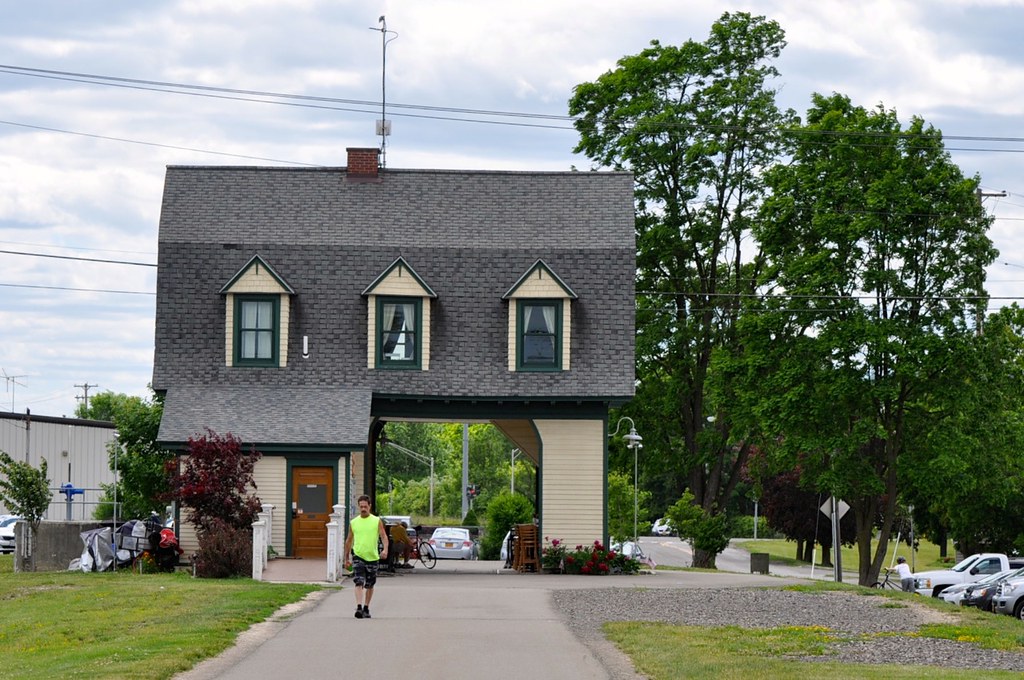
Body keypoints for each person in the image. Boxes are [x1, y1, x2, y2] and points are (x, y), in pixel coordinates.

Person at [343, 495, 389, 619]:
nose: (363, 509)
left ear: (370, 506)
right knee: (358, 581)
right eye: (361, 506)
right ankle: (358, 607)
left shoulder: (376, 521)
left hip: (373, 557)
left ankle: (366, 607)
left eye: (365, 506)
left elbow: (384, 536)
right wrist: (346, 558)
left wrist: (385, 549)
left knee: (370, 584)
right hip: (358, 555)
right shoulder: (354, 522)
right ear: (359, 506)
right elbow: (348, 540)